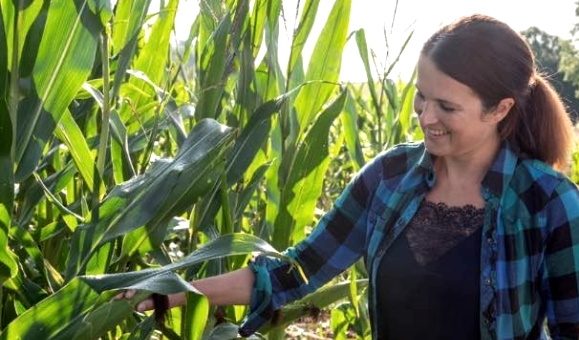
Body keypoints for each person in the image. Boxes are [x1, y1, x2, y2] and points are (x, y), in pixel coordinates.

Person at [117, 14, 579, 339]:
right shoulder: (389, 178)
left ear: (500, 109)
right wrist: (173, 291)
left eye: (447, 106)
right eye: (421, 97)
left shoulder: (548, 202)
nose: (425, 116)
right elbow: (293, 272)